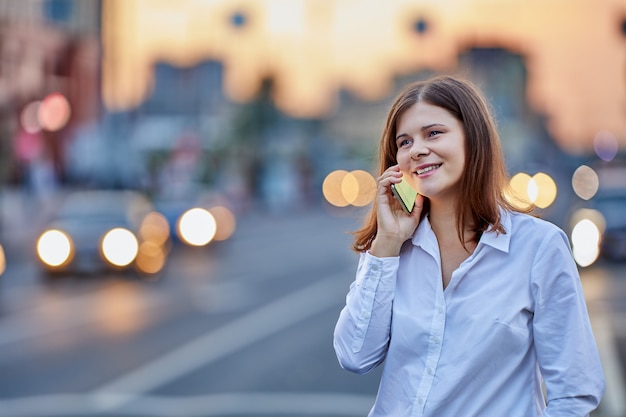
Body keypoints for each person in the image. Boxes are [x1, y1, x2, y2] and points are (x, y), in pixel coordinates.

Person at [333, 75, 605, 416]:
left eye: (433, 133)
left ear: (473, 139)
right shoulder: (390, 250)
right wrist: (386, 242)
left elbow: (575, 392)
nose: (416, 149)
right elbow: (354, 355)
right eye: (404, 142)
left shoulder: (539, 247)